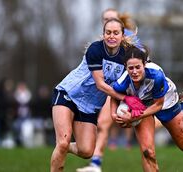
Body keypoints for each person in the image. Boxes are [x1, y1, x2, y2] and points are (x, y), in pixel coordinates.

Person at [50, 18, 146, 172]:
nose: (112, 36)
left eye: (116, 33)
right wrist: (127, 99)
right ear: (103, 34)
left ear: (122, 35)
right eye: (108, 32)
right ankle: (61, 146)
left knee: (87, 151)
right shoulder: (95, 50)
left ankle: (62, 147)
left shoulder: (127, 57)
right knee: (63, 142)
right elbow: (101, 85)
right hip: (68, 95)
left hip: (89, 107)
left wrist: (119, 111)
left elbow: (123, 86)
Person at [110, 46, 183, 171]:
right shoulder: (122, 81)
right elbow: (113, 96)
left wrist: (133, 117)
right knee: (147, 152)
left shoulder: (156, 76)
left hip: (165, 100)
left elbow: (158, 105)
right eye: (130, 68)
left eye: (138, 67)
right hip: (141, 104)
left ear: (144, 64)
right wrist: (114, 115)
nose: (134, 71)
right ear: (125, 67)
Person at [76, 8, 141, 172]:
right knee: (104, 124)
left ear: (119, 22)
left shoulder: (130, 42)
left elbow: (140, 62)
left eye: (111, 18)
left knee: (145, 121)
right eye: (105, 19)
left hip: (126, 91)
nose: (107, 21)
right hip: (108, 91)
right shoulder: (102, 43)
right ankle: (96, 164)